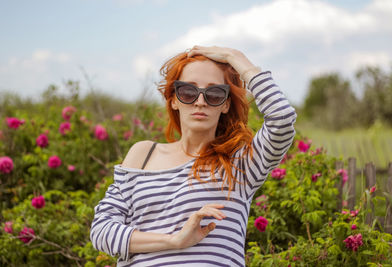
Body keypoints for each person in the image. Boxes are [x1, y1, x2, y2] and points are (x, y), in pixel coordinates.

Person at [90, 45, 297, 266]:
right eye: (188, 92)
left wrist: (233, 56)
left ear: (226, 104)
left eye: (214, 94)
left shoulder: (241, 163)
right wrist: (174, 241)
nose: (200, 101)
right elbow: (102, 231)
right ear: (173, 99)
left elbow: (281, 119)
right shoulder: (143, 154)